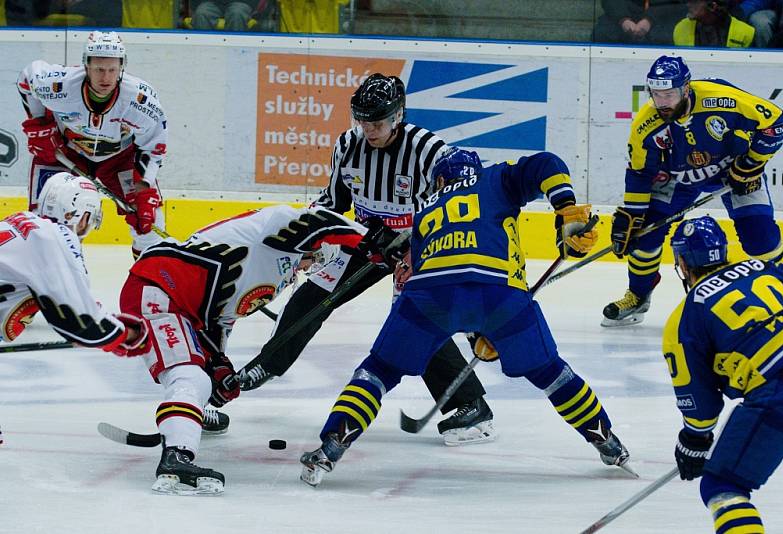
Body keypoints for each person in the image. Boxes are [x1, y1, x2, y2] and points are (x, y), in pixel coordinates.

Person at [298, 147, 635, 487]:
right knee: (552, 373)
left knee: (378, 371)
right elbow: (548, 163)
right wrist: (566, 211)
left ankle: (331, 445)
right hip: (499, 295)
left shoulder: (426, 208)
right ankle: (606, 440)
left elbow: (433, 270)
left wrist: (475, 324)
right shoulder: (494, 178)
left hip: (430, 295)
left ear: (440, 179)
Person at [237, 73, 499, 446]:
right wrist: (309, 239)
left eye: (376, 122)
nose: (368, 129)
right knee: (312, 296)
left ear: (398, 115)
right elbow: (333, 202)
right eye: (362, 120)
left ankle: (471, 405)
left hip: (417, 244)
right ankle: (269, 362)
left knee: (415, 318)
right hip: (365, 238)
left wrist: (426, 240)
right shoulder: (348, 144)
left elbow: (463, 187)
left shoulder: (426, 148)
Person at [115, 204, 373, 495]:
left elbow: (218, 323)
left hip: (179, 306)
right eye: (310, 261)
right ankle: (176, 458)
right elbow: (317, 221)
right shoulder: (272, 231)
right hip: (157, 289)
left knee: (201, 377)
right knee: (189, 378)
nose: (305, 269)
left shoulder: (275, 279)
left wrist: (219, 368)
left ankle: (185, 427)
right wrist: (370, 240)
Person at [602, 55, 783, 327]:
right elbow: (640, 173)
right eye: (656, 94)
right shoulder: (646, 125)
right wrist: (632, 214)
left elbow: (778, 122)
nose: (662, 102)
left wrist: (751, 164)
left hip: (733, 171)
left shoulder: (722, 99)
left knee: (760, 237)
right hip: (680, 179)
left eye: (669, 94)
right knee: (645, 234)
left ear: (686, 88)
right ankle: (639, 295)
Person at [663, 215, 783, 534]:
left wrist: (694, 439)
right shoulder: (766, 268)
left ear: (682, 262)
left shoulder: (685, 318)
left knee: (723, 486)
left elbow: (700, 402)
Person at [17, 31, 168, 258]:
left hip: (120, 160)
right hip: (64, 153)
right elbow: (27, 78)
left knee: (150, 223)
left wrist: (143, 190)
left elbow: (153, 147)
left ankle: (150, 285)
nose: (105, 78)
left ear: (121, 67)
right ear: (86, 66)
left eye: (111, 69)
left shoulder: (141, 101)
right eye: (98, 69)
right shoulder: (60, 84)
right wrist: (40, 125)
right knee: (47, 224)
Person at [0, 172, 141, 351]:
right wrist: (127, 335)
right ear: (73, 213)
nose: (87, 223)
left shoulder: (22, 222)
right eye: (88, 215)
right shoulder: (56, 237)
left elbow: (72, 298)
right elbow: (81, 322)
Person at [593, 0, 685, 45]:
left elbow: (678, 4)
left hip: (662, 18)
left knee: (665, 37)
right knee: (602, 33)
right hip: (624, 16)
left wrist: (650, 19)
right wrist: (623, 19)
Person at [673, 0, 756, 47]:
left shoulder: (746, 33)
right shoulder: (681, 28)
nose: (688, 4)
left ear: (712, 6)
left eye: (694, 1)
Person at [191, 0, 258, 31]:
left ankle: (235, 52)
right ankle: (204, 52)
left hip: (241, 1)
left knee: (237, 14)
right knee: (201, 13)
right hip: (210, 2)